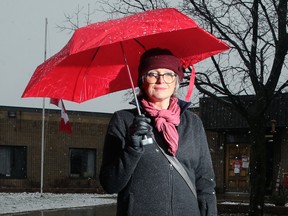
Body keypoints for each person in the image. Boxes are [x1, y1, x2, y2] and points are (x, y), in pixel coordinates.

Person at [99, 48, 217, 216]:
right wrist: (132, 148)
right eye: (152, 74)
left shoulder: (193, 123)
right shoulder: (124, 120)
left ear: (176, 81)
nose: (161, 80)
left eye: (168, 74)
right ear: (142, 80)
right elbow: (110, 184)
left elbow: (205, 182)